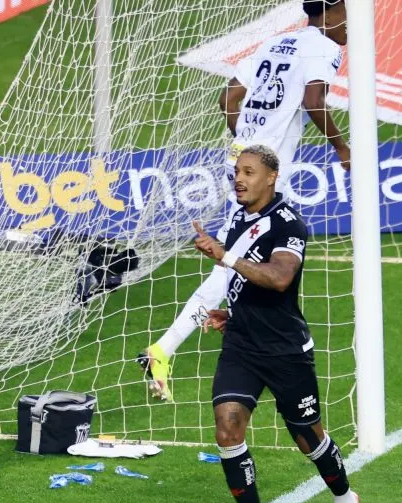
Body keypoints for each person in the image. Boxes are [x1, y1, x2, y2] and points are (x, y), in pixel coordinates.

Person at [138, 0, 351, 401]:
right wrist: (342, 148)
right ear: (332, 12)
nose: (350, 27)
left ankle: (171, 347)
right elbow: (313, 100)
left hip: (240, 161)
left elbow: (227, 101)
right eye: (346, 15)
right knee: (234, 263)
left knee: (240, 261)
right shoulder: (326, 47)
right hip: (266, 173)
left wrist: (247, 146)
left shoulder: (275, 43)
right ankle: (164, 350)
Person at [195, 145, 360, 503]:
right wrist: (231, 314)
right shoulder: (238, 220)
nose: (239, 178)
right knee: (227, 428)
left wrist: (225, 256)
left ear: (271, 177)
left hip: (286, 352)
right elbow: (246, 283)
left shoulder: (288, 224)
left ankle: (345, 500)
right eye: (236, 171)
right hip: (242, 346)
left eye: (249, 171)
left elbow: (280, 278)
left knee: (309, 439)